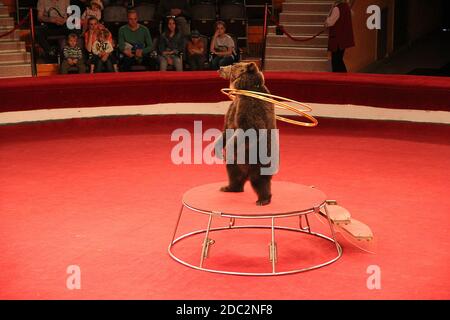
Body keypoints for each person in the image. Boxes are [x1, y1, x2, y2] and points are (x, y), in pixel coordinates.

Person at [325, 0, 355, 72]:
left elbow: (330, 23)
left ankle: (340, 79)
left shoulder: (337, 8)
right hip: (343, 39)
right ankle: (344, 78)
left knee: (336, 62)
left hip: (337, 40)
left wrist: (327, 19)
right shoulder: (346, 7)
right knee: (339, 60)